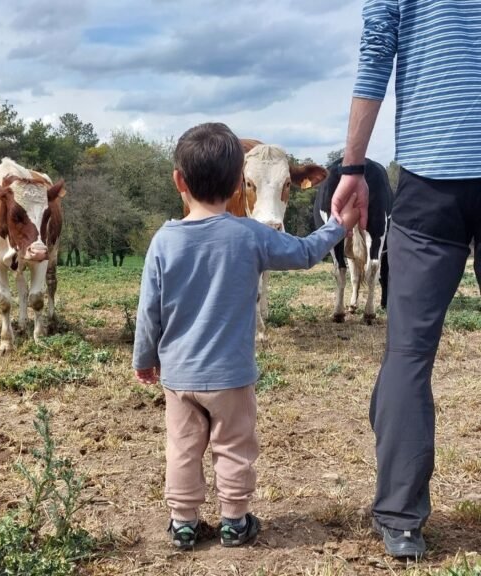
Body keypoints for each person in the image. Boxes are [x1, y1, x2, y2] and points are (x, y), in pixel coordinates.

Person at [133, 122, 358, 550]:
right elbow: (305, 252)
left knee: (182, 448)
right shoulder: (250, 235)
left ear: (179, 181)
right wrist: (337, 226)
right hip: (232, 377)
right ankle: (234, 521)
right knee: (234, 446)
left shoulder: (163, 241)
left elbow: (149, 310)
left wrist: (144, 359)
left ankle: (183, 522)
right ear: (241, 183)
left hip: (179, 378)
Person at [331, 0, 481, 560]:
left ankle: (401, 520)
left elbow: (377, 50)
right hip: (430, 176)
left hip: (431, 174)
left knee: (408, 355)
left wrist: (353, 168)